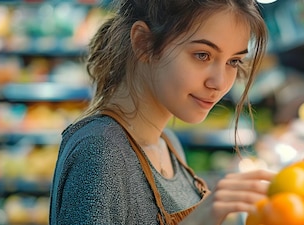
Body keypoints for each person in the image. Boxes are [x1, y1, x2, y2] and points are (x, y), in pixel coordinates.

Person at [49, 0, 275, 224]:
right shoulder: (99, 151)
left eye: (233, 61)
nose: (220, 82)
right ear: (143, 43)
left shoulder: (168, 144)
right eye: (202, 55)